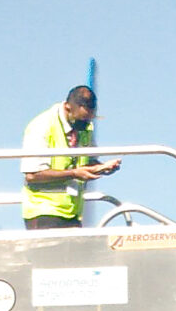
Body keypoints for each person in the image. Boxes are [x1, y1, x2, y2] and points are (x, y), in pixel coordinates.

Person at [21, 84, 119, 229]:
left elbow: (86, 162)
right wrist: (74, 173)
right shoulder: (41, 126)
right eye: (83, 119)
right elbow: (32, 175)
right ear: (68, 108)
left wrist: (101, 167)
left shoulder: (85, 127)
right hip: (44, 211)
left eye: (89, 119)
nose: (85, 124)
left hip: (73, 212)